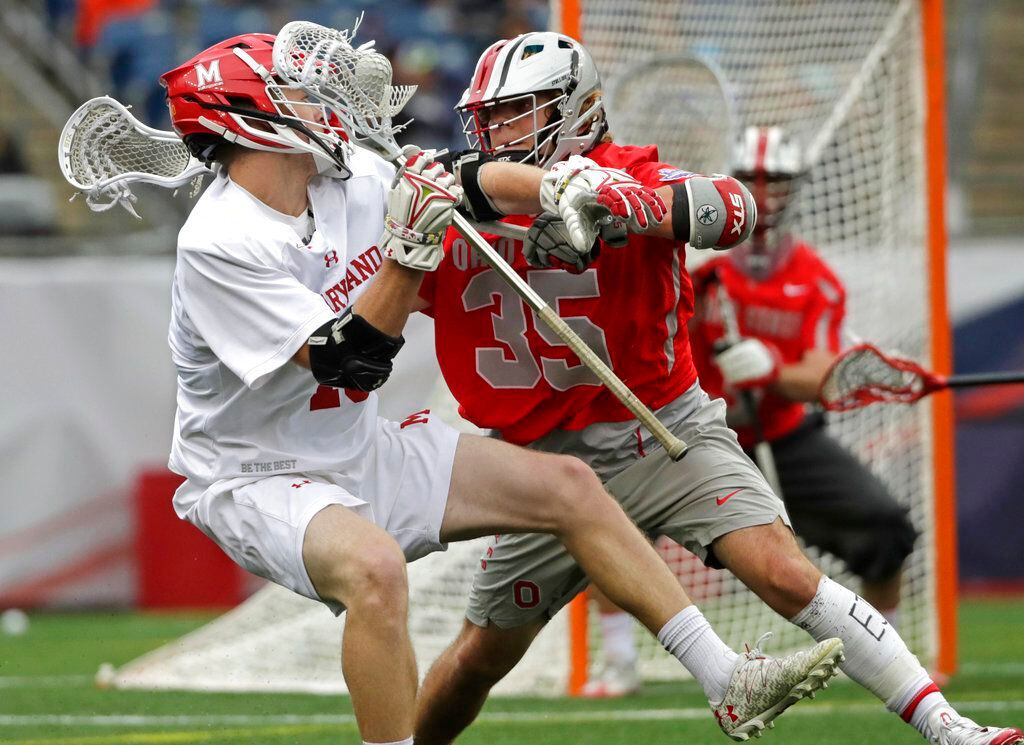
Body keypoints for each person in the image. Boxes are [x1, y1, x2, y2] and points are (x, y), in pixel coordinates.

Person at [156, 30, 841, 745]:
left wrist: (559, 186)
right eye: (296, 89)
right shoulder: (221, 242)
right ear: (249, 119)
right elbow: (350, 361)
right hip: (256, 476)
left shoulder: (347, 175)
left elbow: (470, 178)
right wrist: (409, 254)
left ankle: (726, 677)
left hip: (354, 447)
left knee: (573, 487)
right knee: (374, 568)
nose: (323, 97)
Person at [412, 31, 1024, 745]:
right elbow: (378, 285)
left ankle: (952, 729)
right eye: (487, 117)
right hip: (538, 463)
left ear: (573, 109)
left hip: (664, 434)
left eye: (516, 112)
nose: (494, 133)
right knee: (478, 657)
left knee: (787, 575)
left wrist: (621, 205)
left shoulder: (625, 172)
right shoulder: (449, 204)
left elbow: (732, 208)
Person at [580, 125, 921, 699]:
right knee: (603, 522)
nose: (765, 194)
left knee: (886, 526)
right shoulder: (696, 263)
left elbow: (821, 378)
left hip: (783, 434)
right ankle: (617, 660)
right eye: (755, 180)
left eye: (778, 181)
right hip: (687, 434)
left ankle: (889, 654)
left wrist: (769, 372)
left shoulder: (816, 279)